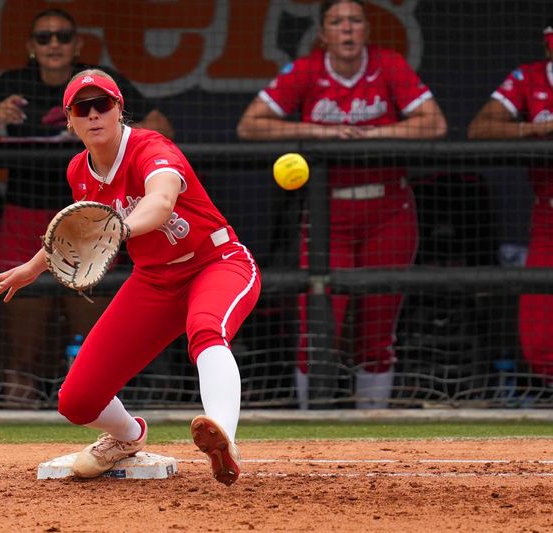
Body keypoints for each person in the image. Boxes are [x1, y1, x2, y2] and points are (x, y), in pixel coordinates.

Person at [0, 69, 261, 486]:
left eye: (103, 105)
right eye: (82, 108)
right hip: (155, 282)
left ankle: (223, 438)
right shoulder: (79, 170)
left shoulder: (150, 147)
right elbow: (78, 232)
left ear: (119, 110)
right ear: (69, 119)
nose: (94, 115)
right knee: (76, 401)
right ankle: (127, 436)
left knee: (205, 331)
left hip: (216, 262)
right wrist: (32, 267)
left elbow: (161, 201)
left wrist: (120, 227)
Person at [0, 9, 174, 402]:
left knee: (91, 328)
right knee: (24, 328)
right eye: (44, 38)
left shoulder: (97, 85)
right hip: (25, 211)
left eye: (63, 36)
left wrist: (107, 137)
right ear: (31, 46)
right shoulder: (13, 83)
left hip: (91, 216)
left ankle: (94, 397)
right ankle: (19, 404)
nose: (54, 44)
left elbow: (162, 128)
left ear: (76, 44)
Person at [236, 0, 447, 409]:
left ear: (367, 28)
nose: (347, 29)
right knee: (317, 327)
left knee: (377, 329)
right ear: (323, 33)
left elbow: (434, 122)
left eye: (354, 21)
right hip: (328, 214)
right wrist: (321, 131)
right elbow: (251, 124)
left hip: (388, 212)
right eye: (337, 22)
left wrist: (369, 136)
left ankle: (373, 431)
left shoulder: (388, 64)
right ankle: (308, 426)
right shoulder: (307, 70)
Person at [467, 18, 553, 385]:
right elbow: (479, 129)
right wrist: (534, 128)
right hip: (548, 216)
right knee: (538, 335)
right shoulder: (530, 78)